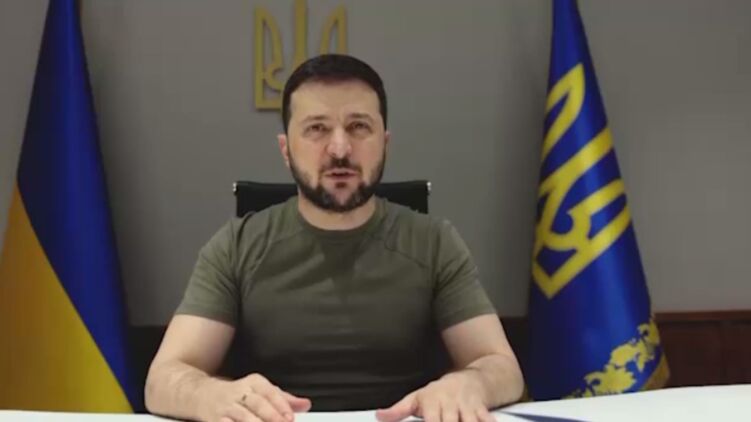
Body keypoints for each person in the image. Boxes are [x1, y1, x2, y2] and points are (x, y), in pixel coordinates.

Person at [144, 54, 523, 422]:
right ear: (286, 150)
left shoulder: (434, 242)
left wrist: (469, 383)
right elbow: (163, 378)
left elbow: (502, 367)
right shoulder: (236, 245)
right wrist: (210, 395)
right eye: (317, 128)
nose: (340, 149)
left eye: (359, 127)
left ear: (385, 143)